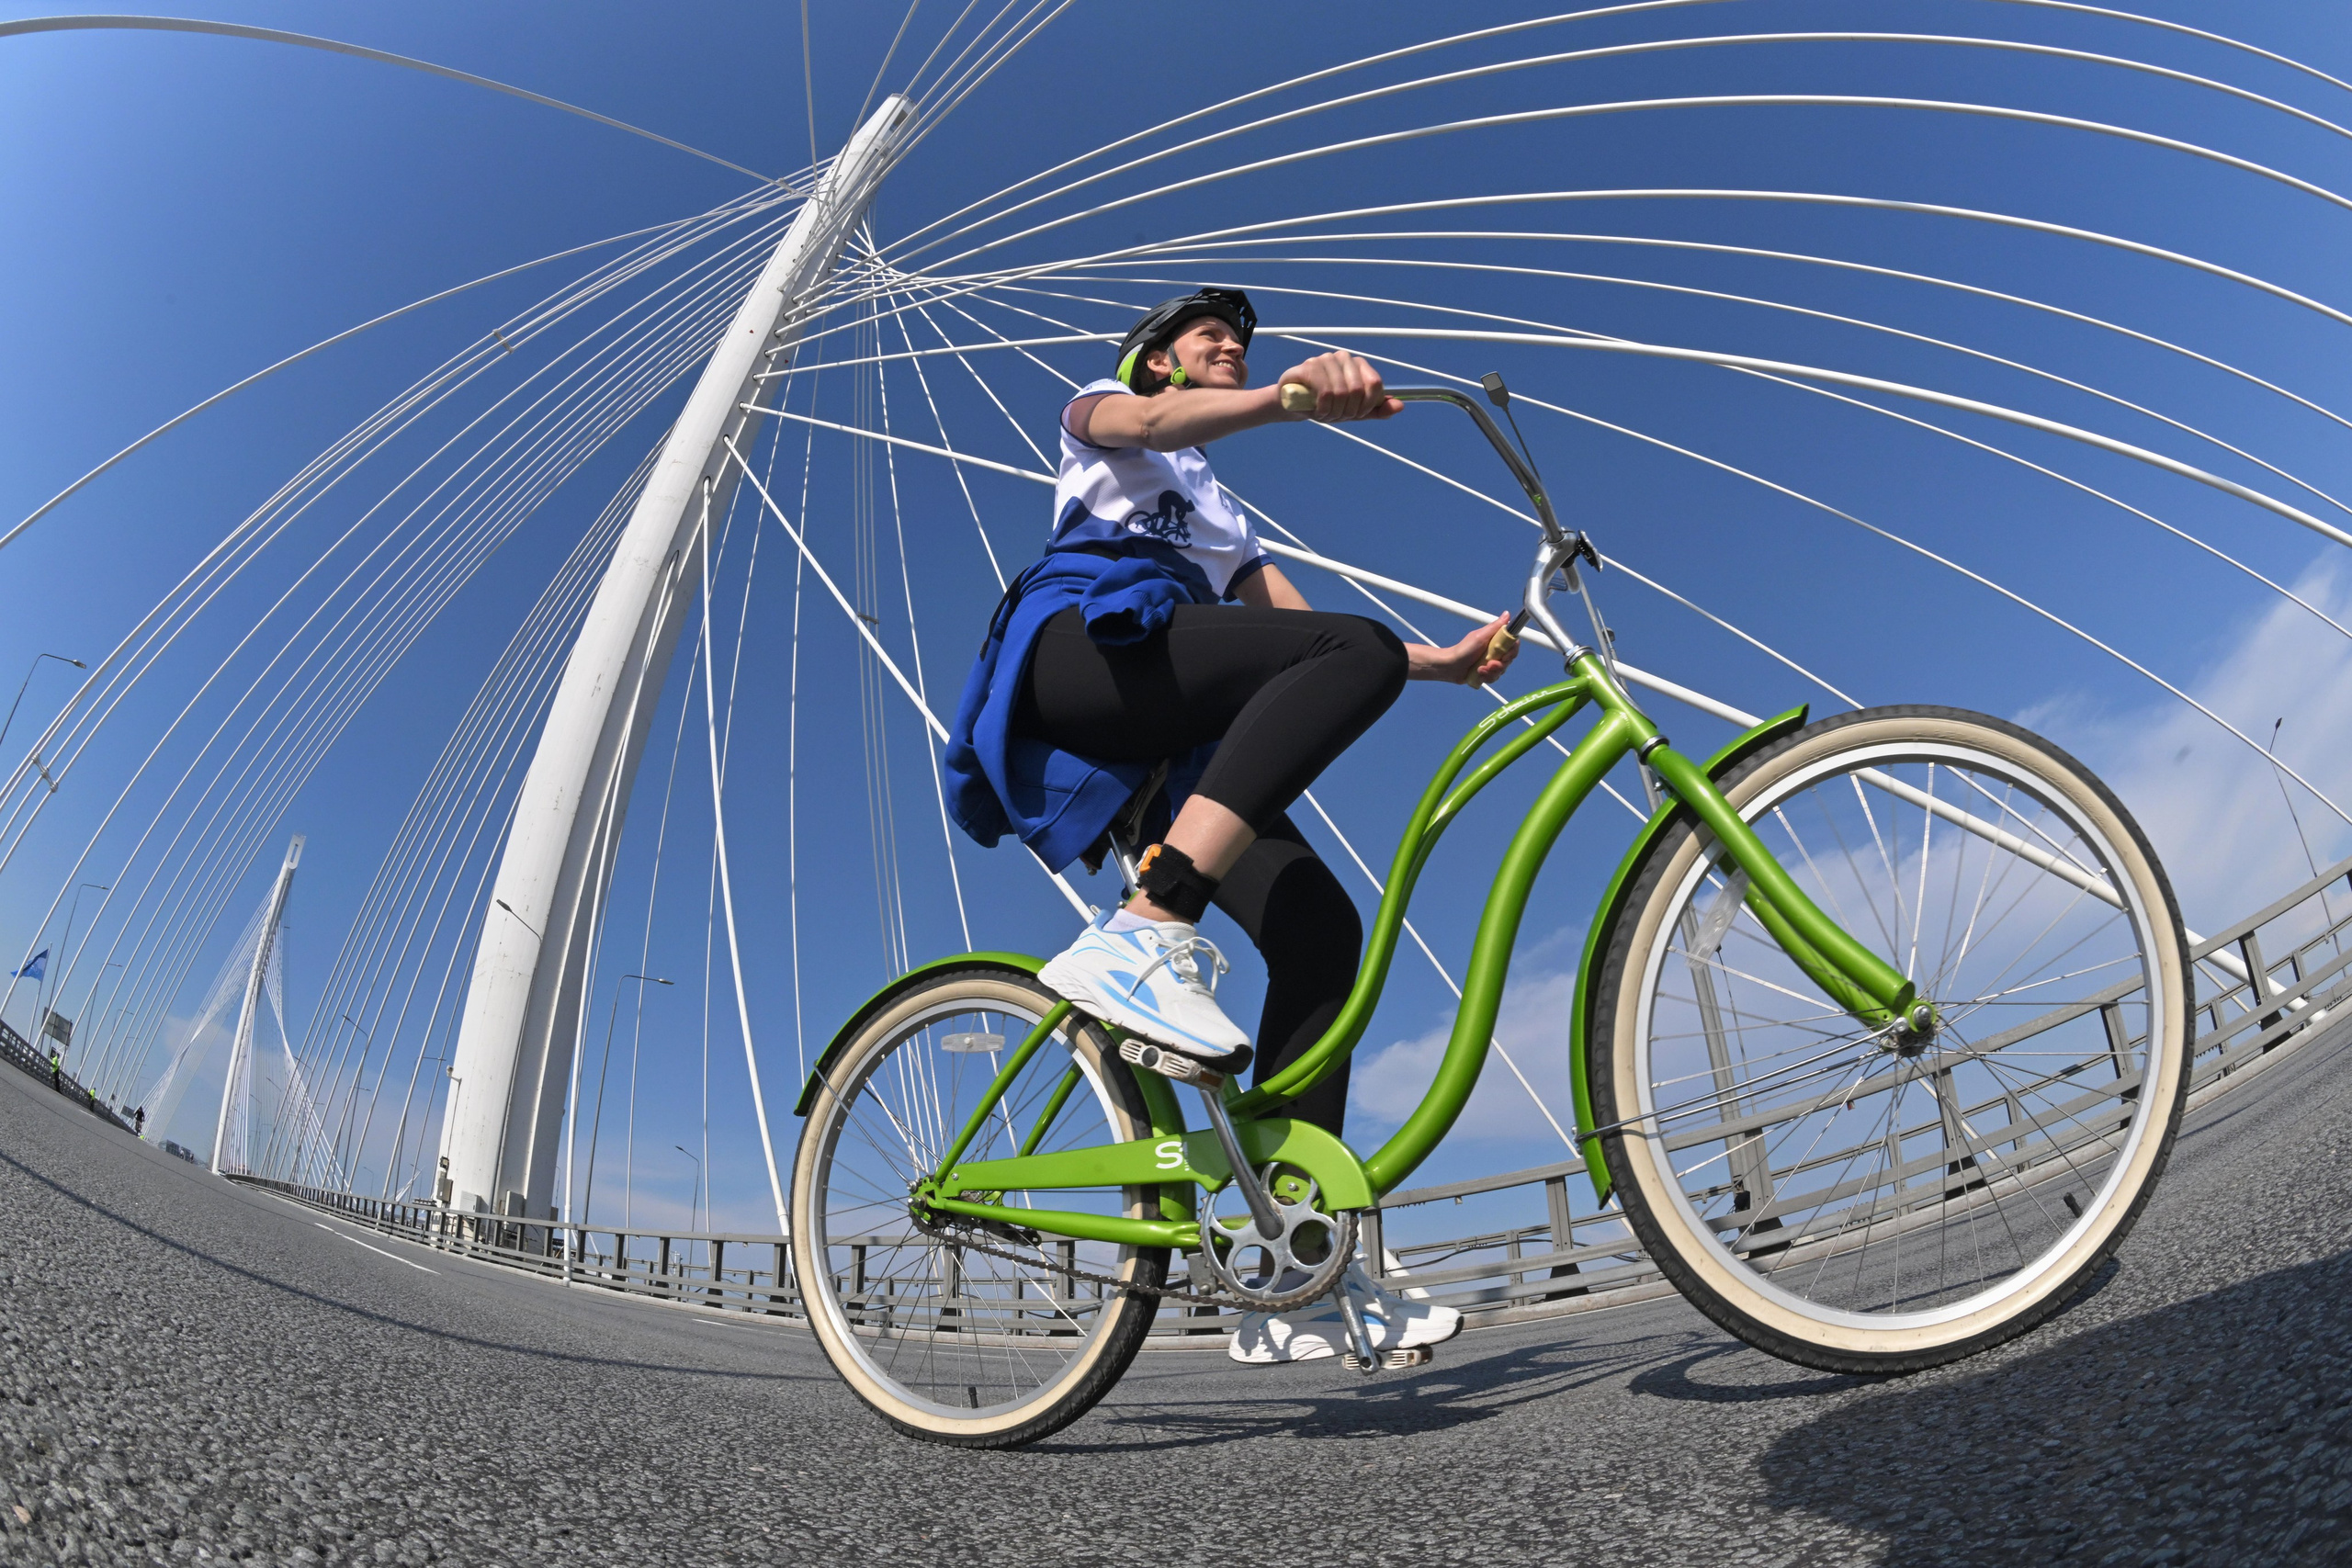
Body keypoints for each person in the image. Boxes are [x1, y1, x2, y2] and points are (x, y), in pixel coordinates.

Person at [944, 288, 1517, 1366]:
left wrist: (1443, 659)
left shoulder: (1226, 522)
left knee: (1320, 931)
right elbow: (1149, 430)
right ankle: (1147, 928)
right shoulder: (1103, 405)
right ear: (1154, 359)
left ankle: (1292, 1255)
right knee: (1352, 658)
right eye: (1211, 338)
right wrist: (1288, 399)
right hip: (1092, 645)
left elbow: (1312, 633)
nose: (1232, 348)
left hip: (1177, 739)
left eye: (1245, 345)